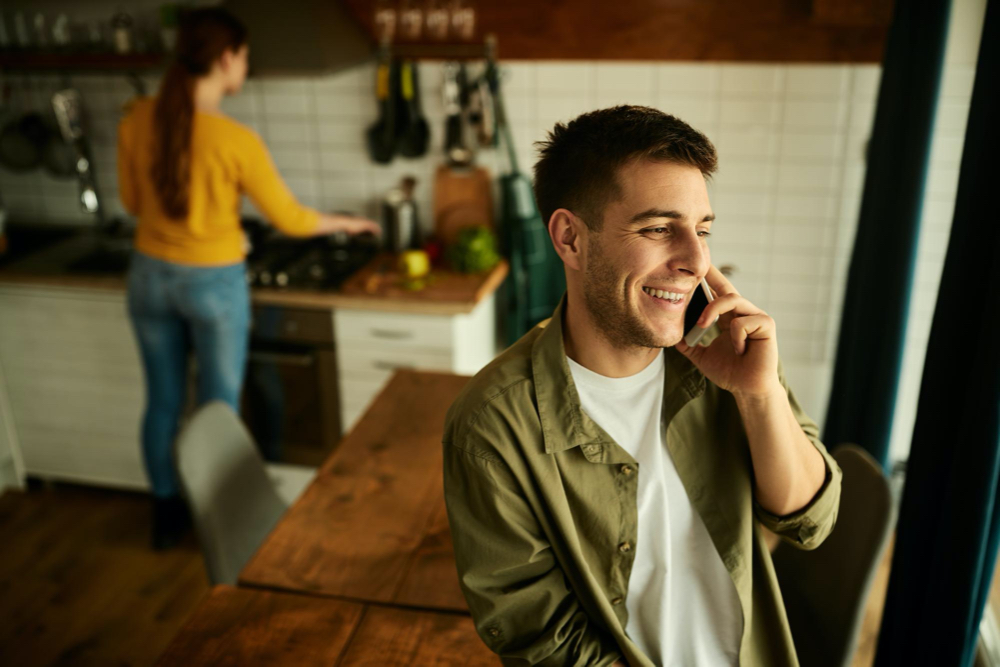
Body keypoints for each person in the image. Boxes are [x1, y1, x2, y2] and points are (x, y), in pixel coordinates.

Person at [442, 105, 842, 666]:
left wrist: (759, 394)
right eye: (658, 229)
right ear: (571, 239)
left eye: (702, 230)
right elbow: (541, 640)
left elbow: (811, 521)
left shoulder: (727, 350)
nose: (696, 260)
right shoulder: (492, 424)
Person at [117, 8, 379, 550]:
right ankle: (220, 520)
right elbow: (292, 221)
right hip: (212, 283)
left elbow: (132, 203)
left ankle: (165, 514)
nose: (246, 67)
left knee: (162, 401)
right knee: (217, 406)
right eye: (245, 57)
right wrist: (349, 222)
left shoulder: (135, 117)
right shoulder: (233, 139)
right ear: (225, 58)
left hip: (148, 277)